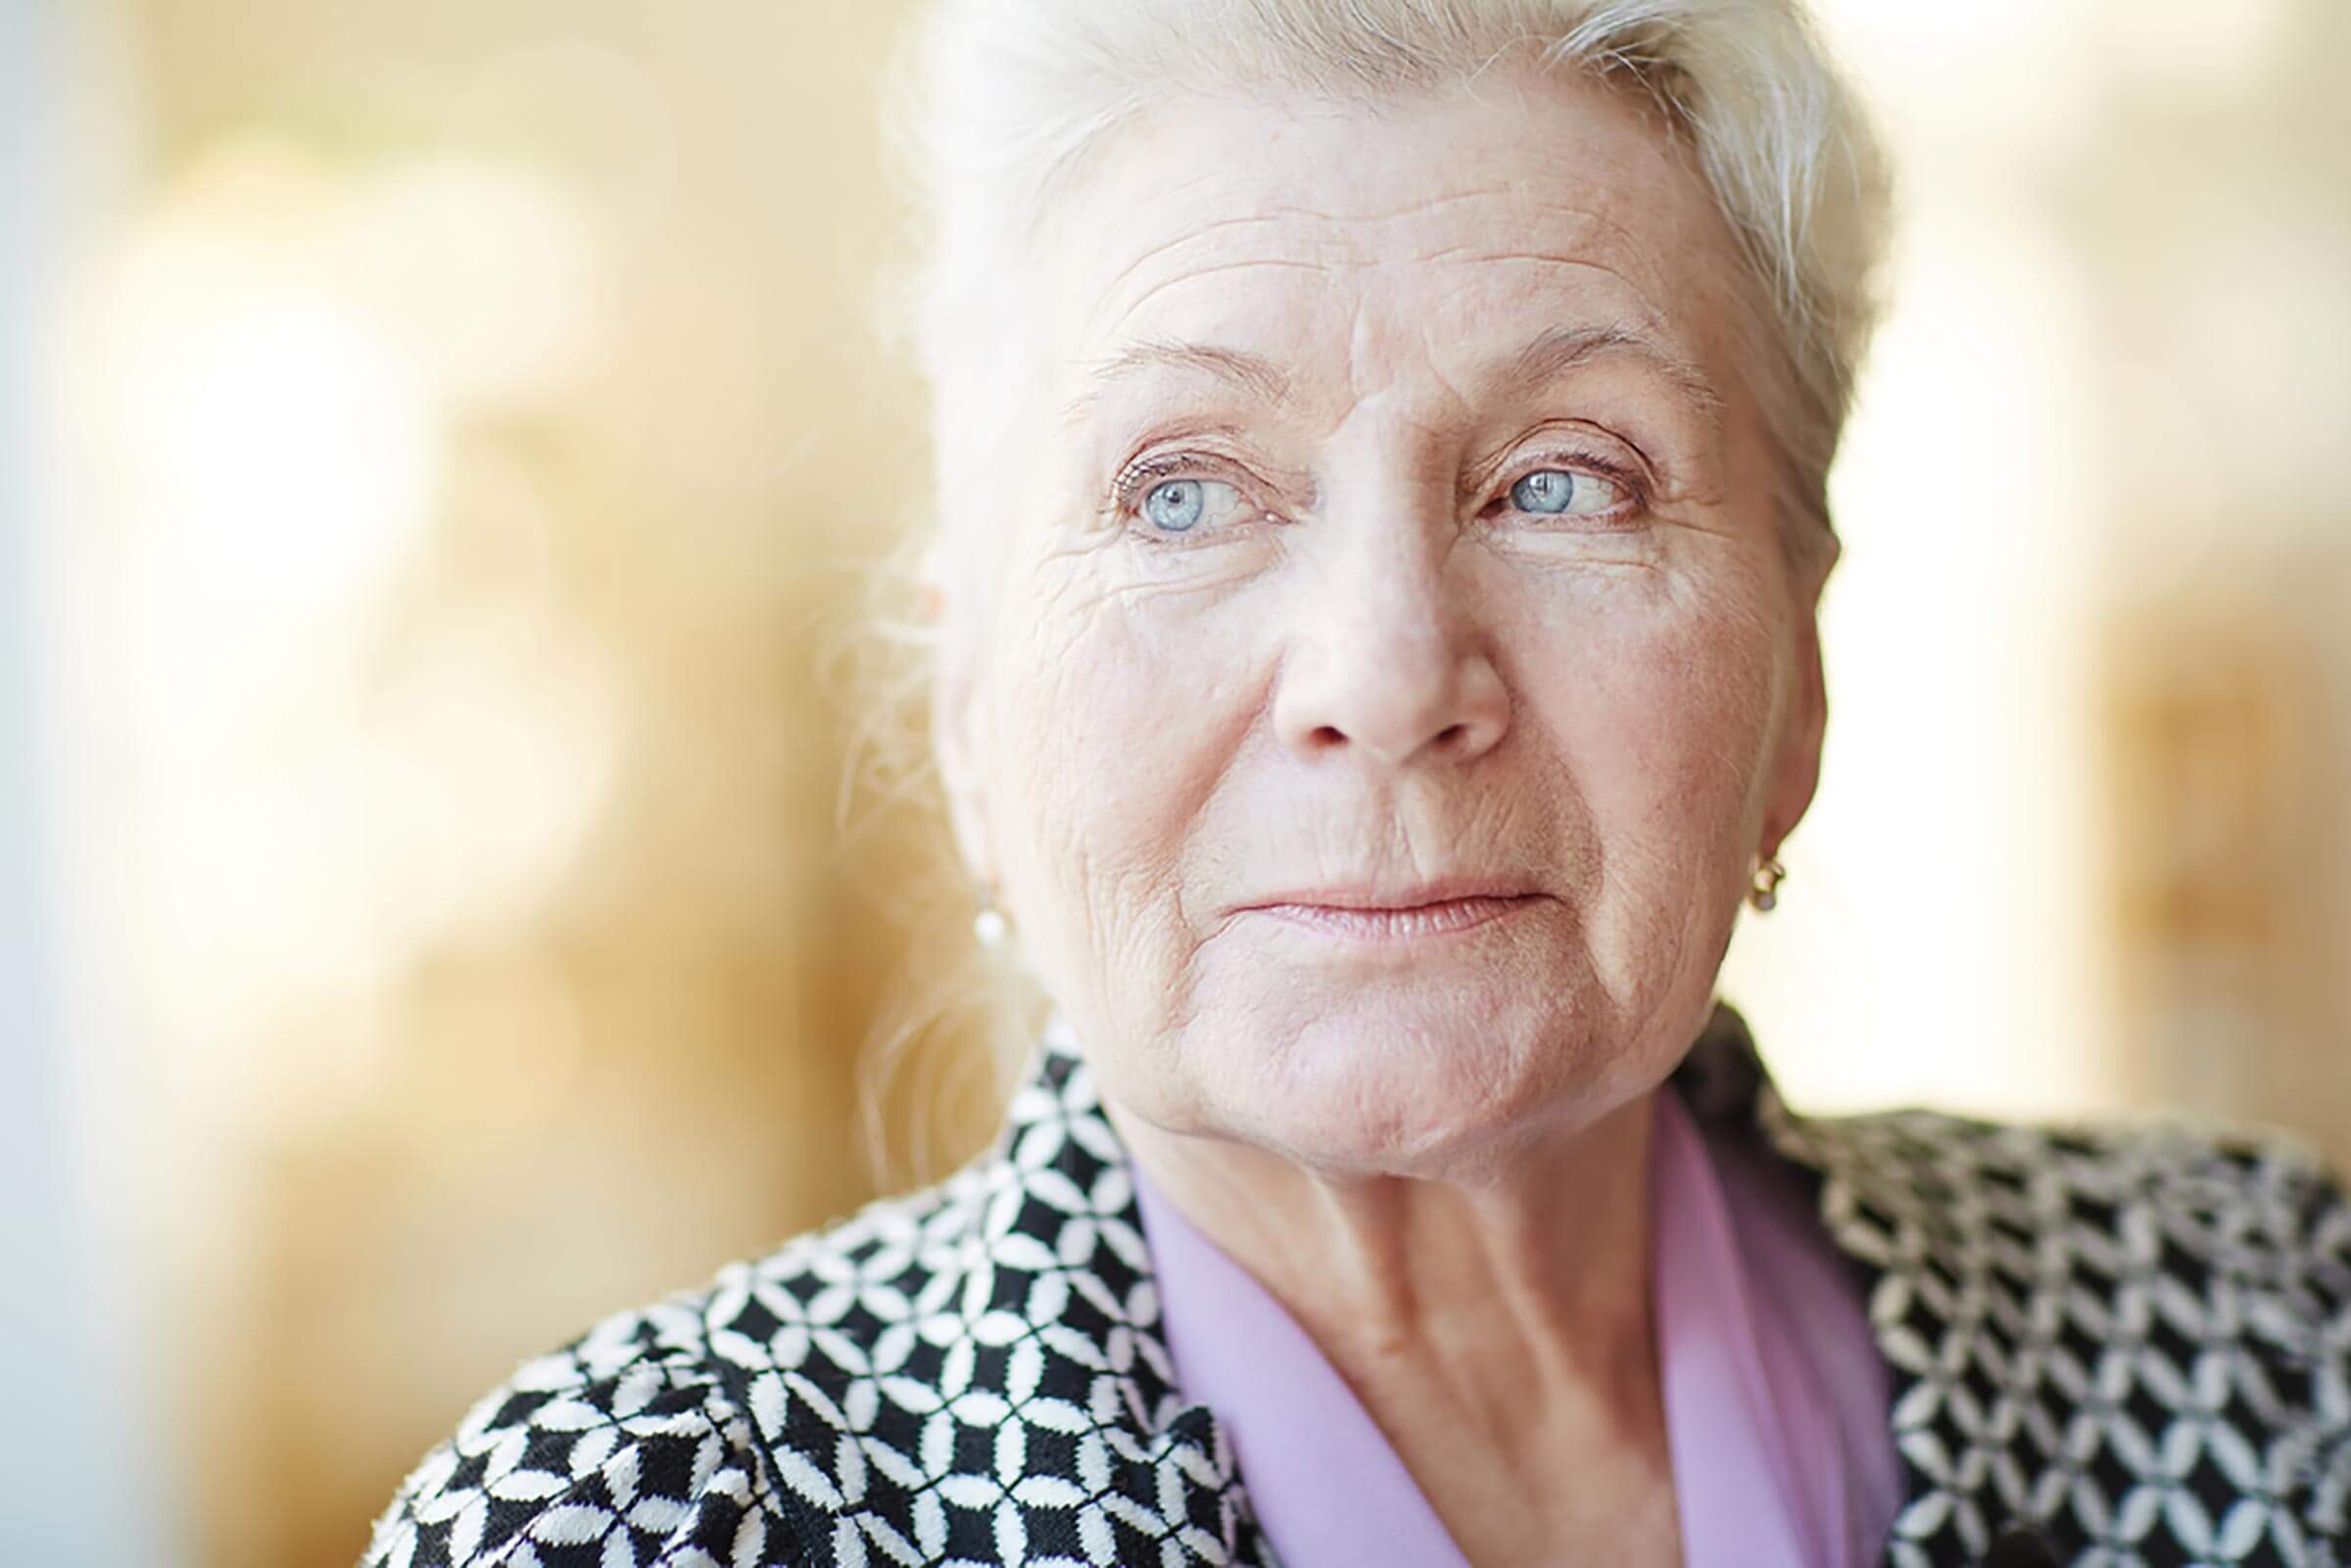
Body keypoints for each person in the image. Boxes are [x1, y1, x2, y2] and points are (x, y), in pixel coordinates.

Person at [360, 2, 2351, 1564]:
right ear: (972, 704)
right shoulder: (640, 1527)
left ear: (1800, 675)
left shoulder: (2263, 1340)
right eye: (1184, 491)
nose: (1388, 678)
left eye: (1569, 481)